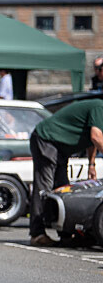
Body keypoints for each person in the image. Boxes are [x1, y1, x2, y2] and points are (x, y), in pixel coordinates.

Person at [28, 100, 103, 246]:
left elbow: (91, 139)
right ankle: (37, 233)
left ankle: (66, 234)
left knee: (63, 189)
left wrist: (91, 164)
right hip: (47, 139)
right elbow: (96, 137)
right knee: (44, 187)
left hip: (59, 147)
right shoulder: (100, 107)